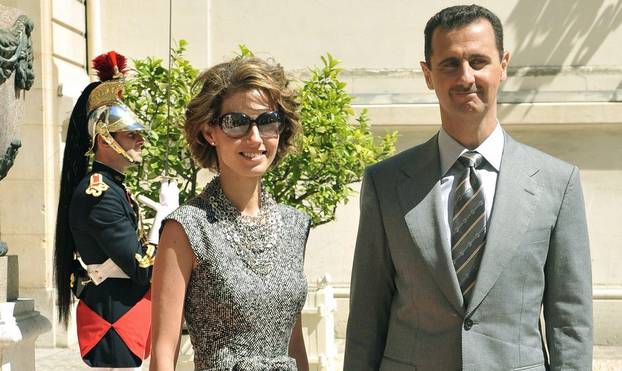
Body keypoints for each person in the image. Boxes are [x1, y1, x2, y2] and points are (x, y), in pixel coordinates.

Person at [344, 5, 592, 370]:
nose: (466, 77)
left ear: (503, 65)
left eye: (478, 61)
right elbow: (367, 314)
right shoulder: (386, 184)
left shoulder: (558, 183)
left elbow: (570, 320)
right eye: (449, 64)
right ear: (428, 74)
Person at [150, 56, 311, 371]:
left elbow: (294, 343)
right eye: (236, 122)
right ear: (210, 132)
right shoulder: (186, 228)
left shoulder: (295, 225)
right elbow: (162, 354)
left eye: (267, 121)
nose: (254, 138)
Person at [53, 51, 170, 370]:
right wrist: (164, 221)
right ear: (105, 140)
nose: (140, 141)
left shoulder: (111, 186)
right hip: (113, 317)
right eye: (131, 135)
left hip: (121, 309)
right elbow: (142, 268)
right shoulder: (99, 193)